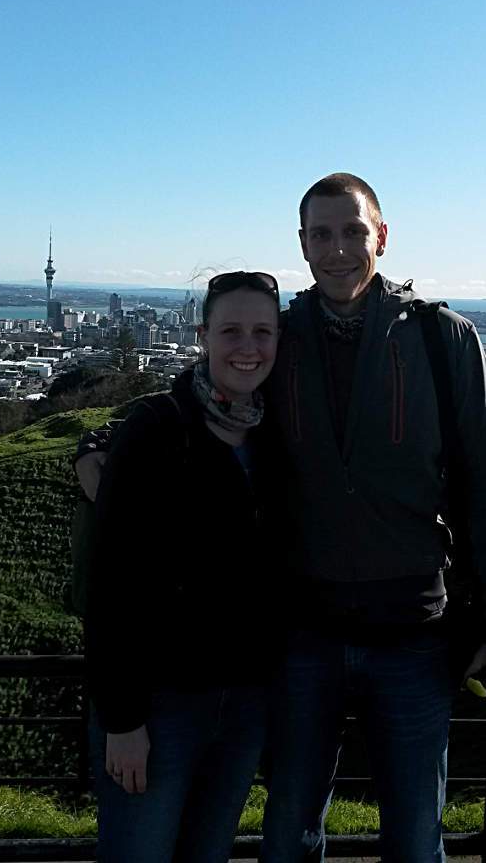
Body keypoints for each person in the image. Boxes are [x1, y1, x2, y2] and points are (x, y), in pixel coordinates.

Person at [259, 173, 486, 862]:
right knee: (288, 833)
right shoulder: (277, 341)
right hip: (303, 633)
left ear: (381, 236)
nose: (339, 249)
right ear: (302, 245)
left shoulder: (443, 339)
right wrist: (102, 443)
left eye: (353, 231)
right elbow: (206, 407)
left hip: (413, 633)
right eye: (322, 234)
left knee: (415, 839)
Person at [85, 271, 282, 863]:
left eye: (262, 332)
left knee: (208, 854)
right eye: (231, 330)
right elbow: (111, 578)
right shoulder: (157, 428)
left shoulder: (276, 435)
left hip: (245, 699)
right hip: (161, 701)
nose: (247, 347)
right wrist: (121, 719)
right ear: (202, 335)